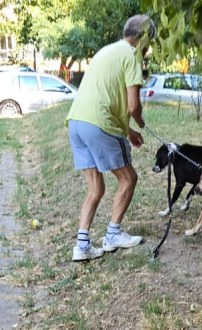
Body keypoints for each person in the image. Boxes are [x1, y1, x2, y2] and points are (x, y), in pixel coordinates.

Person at [66, 14, 156, 262]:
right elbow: (132, 104)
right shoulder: (132, 55)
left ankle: (82, 246)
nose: (147, 50)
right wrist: (138, 120)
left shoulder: (107, 51)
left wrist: (128, 131)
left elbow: (104, 93)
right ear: (143, 39)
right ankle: (113, 234)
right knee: (129, 178)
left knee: (96, 187)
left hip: (76, 122)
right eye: (149, 43)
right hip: (99, 123)